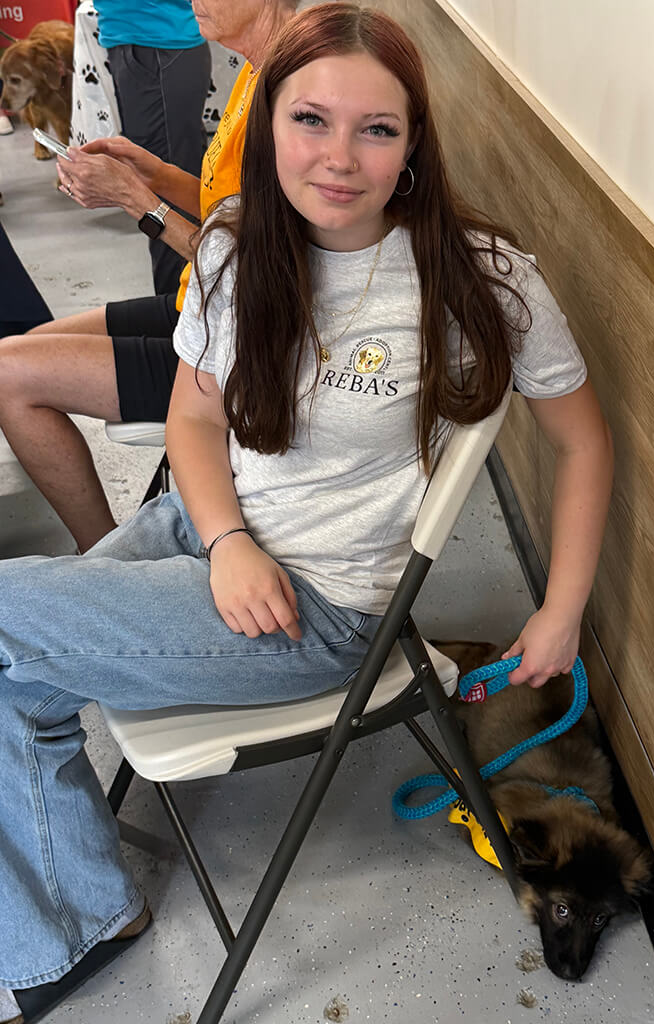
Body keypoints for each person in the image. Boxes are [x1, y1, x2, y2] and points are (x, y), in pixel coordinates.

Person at [0, 3, 612, 1020]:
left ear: (413, 145)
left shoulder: (483, 279)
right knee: (16, 656)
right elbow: (196, 415)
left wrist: (562, 610)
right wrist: (230, 538)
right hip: (219, 538)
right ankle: (72, 916)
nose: (339, 157)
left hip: (321, 611)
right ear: (267, 119)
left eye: (376, 129)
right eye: (310, 121)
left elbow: (581, 438)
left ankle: (63, 921)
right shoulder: (239, 244)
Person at [0, 0, 300, 554]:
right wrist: (153, 171)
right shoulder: (256, 71)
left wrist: (141, 203)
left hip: (237, 344)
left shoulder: (294, 95)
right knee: (21, 348)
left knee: (6, 375)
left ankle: (102, 556)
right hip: (202, 308)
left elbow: (256, 274)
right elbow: (226, 208)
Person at [93, 0, 211, 295]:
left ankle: (177, 315)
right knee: (171, 185)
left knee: (165, 197)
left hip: (156, 42)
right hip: (148, 40)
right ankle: (183, 310)